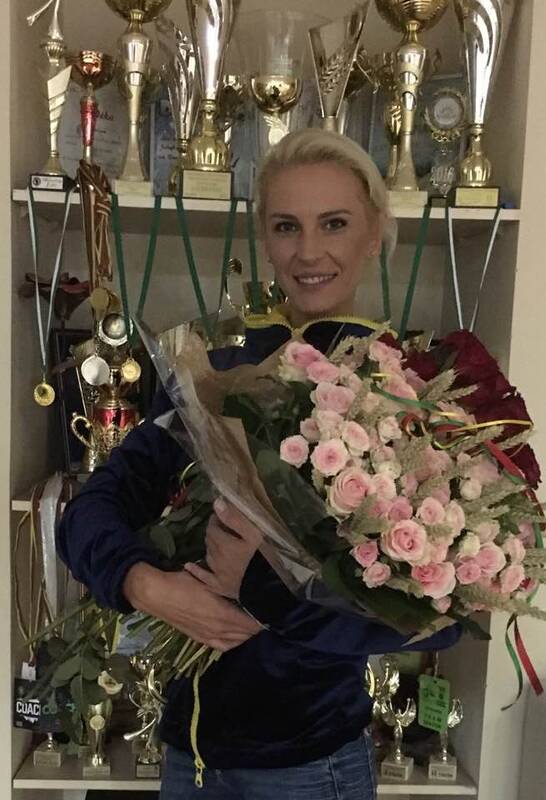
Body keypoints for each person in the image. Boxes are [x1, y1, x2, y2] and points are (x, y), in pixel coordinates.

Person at [58, 129, 460, 800]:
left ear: (375, 233)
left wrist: (262, 595)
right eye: (286, 226)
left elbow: (433, 616)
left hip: (311, 766)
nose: (309, 251)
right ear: (264, 239)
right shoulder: (212, 369)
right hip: (188, 760)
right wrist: (145, 586)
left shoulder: (406, 389)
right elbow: (94, 507)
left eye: (334, 223)